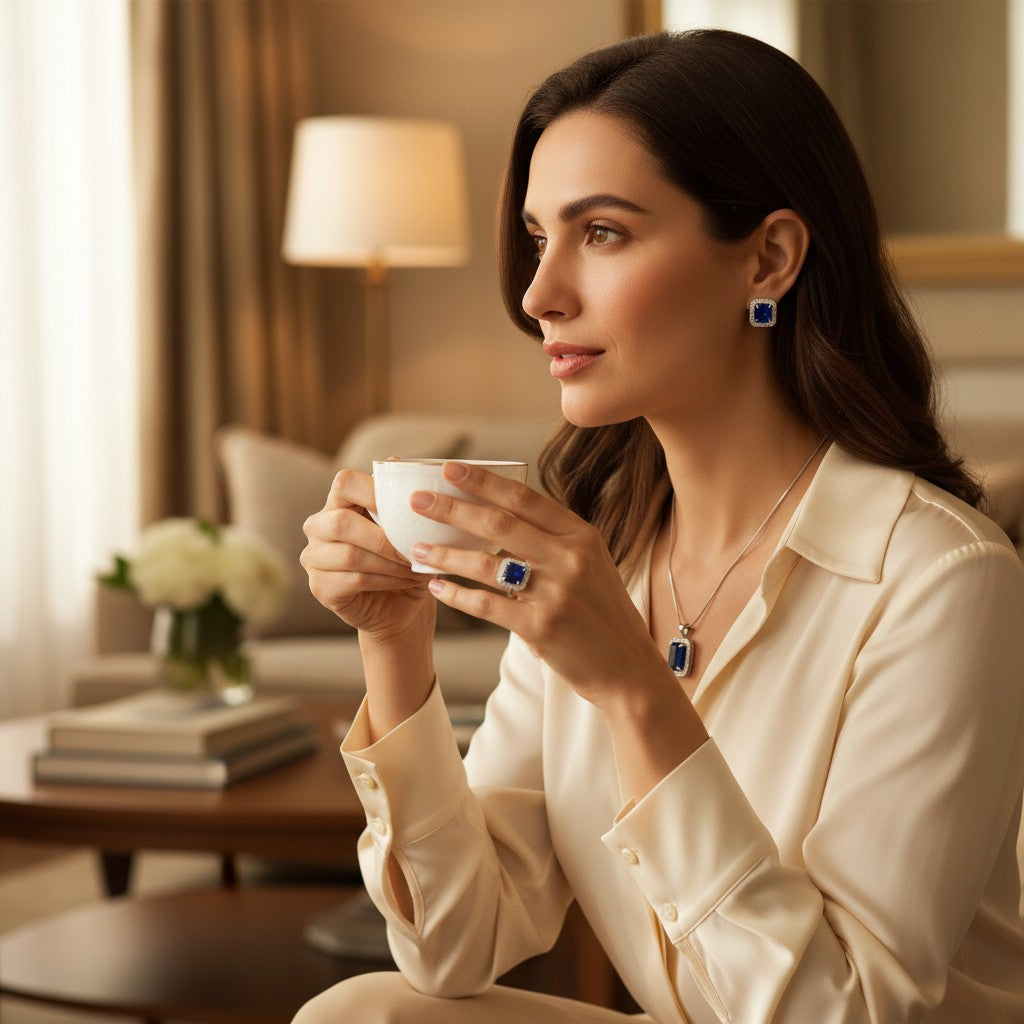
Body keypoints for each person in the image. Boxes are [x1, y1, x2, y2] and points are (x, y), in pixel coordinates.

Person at [294, 29, 1024, 1024]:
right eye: (540, 236)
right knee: (366, 1011)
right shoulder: (598, 555)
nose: (538, 294)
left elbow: (844, 1012)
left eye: (602, 233)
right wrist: (394, 640)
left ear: (768, 257)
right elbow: (456, 945)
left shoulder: (942, 578)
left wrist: (633, 688)